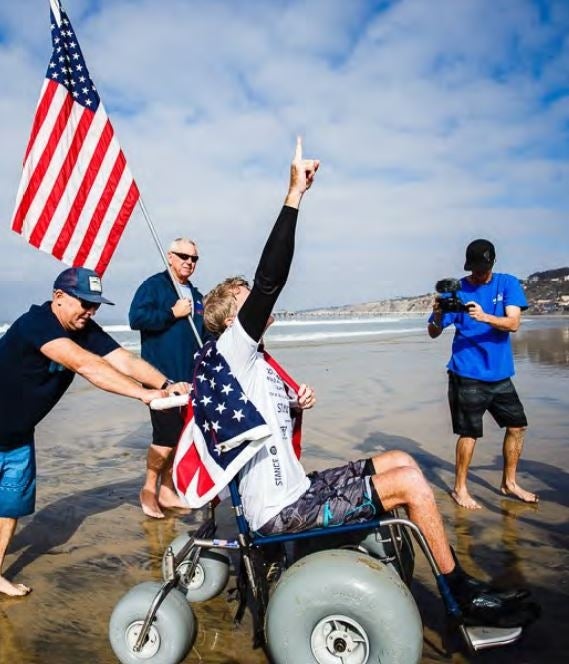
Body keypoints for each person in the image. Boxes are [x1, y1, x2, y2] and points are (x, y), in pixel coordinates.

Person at [202, 139, 537, 626]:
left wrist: (294, 405)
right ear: (232, 318)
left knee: (402, 459)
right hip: (282, 510)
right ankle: (461, 595)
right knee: (407, 484)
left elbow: (263, 430)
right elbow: (271, 277)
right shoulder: (233, 347)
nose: (258, 300)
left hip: (300, 488)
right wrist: (295, 194)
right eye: (246, 298)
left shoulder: (254, 361)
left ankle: (450, 579)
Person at [0, 267, 188, 597]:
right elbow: (87, 366)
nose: (90, 312)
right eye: (84, 303)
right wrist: (143, 394)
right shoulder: (36, 324)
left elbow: (124, 360)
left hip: (17, 436)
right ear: (58, 297)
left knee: (9, 509)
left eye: (95, 306)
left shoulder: (83, 328)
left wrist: (166, 385)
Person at [427, 239, 538, 510]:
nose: (478, 274)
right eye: (474, 269)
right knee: (469, 433)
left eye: (483, 268)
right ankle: (459, 489)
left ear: (492, 263)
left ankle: (509, 483)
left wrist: (485, 316)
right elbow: (433, 332)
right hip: (466, 373)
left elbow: (513, 323)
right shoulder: (458, 291)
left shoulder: (507, 283)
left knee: (517, 426)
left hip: (499, 374)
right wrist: (438, 314)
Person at [129, 238, 208, 518]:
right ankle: (149, 489)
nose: (189, 261)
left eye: (194, 258)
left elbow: (205, 335)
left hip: (190, 379)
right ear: (170, 257)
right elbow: (136, 318)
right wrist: (172, 313)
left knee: (182, 436)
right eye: (183, 256)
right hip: (160, 378)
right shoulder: (154, 286)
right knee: (165, 436)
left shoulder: (197, 296)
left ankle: (168, 489)